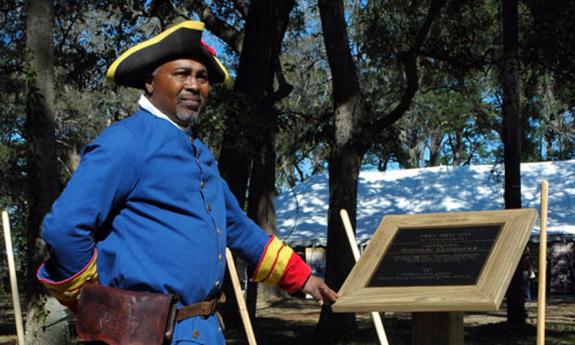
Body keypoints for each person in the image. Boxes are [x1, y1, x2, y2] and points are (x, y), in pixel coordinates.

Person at [37, 20, 337, 344]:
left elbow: (238, 228)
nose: (194, 85)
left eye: (202, 77)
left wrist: (303, 278)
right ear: (150, 83)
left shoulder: (201, 155)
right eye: (182, 73)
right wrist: (97, 301)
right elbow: (64, 228)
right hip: (141, 335)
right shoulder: (125, 143)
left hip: (203, 332)